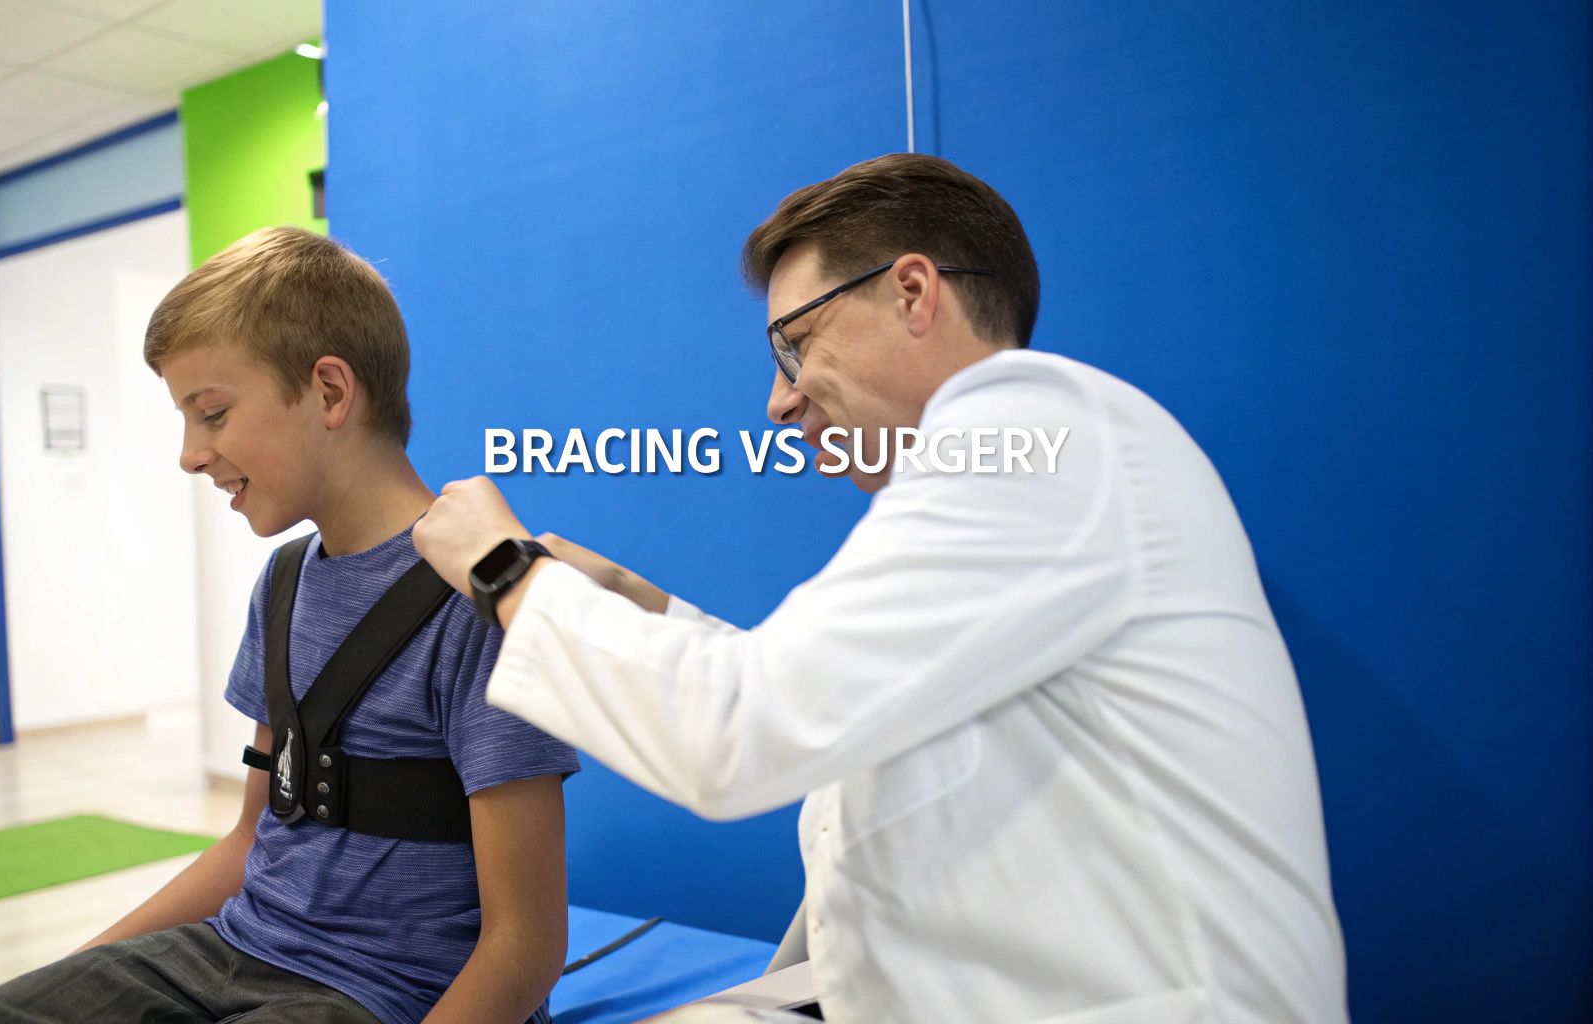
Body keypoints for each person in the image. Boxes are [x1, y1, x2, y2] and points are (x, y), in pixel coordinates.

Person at [411, 154, 1349, 1022]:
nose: (779, 401)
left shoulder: (1039, 435)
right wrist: (632, 599)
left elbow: (744, 731)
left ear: (911, 291)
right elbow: (822, 698)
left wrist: (504, 571)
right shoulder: (1032, 474)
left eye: (795, 344)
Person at [0, 227, 579, 1024]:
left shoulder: (479, 599)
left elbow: (527, 944)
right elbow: (248, 840)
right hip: (233, 952)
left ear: (331, 393)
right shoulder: (285, 581)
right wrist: (73, 980)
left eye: (212, 414)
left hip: (382, 997)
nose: (189, 455)